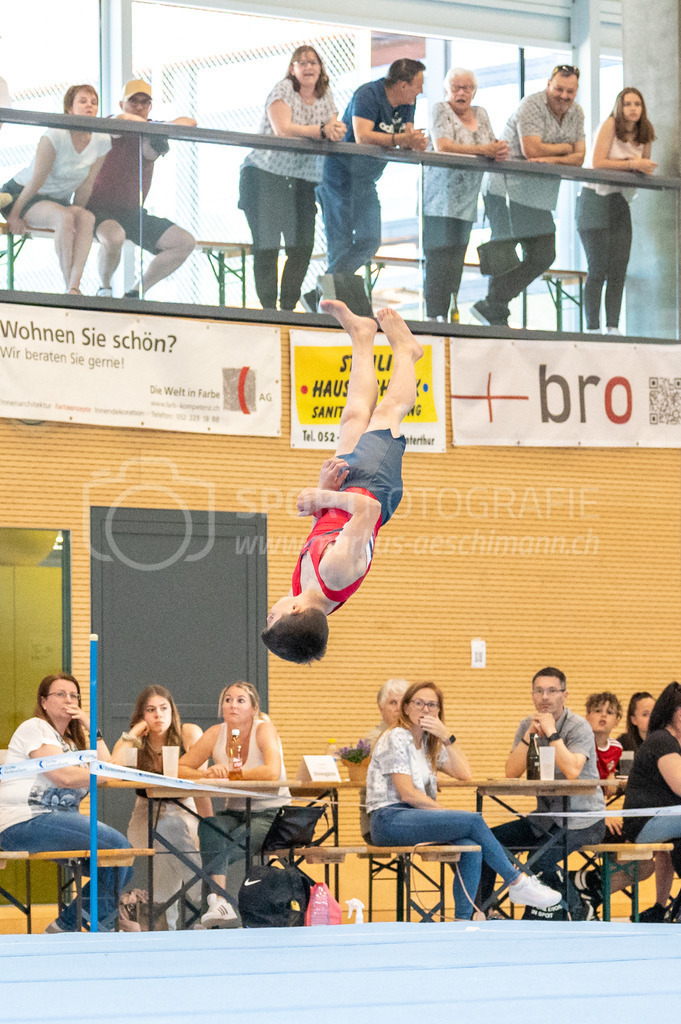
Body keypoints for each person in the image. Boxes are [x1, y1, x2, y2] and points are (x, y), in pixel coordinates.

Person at [261, 300, 423, 664]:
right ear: (297, 612)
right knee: (388, 411)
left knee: (353, 417)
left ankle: (362, 336)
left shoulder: (304, 589)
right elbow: (370, 511)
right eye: (274, 617)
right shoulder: (334, 574)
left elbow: (327, 528)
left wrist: (324, 495)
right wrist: (320, 495)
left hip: (345, 491)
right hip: (373, 486)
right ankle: (407, 352)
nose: (271, 609)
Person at [366, 681, 561, 920]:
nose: (425, 710)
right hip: (389, 819)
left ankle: (462, 919)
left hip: (416, 818)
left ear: (438, 711)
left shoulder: (429, 742)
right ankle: (517, 881)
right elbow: (407, 794)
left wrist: (447, 737)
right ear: (406, 708)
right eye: (418, 703)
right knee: (471, 821)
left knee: (471, 844)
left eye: (432, 705)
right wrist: (446, 813)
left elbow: (464, 773)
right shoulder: (396, 736)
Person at [0, 673, 131, 932]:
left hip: (56, 823)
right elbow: (63, 776)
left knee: (119, 864)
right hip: (24, 820)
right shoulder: (35, 728)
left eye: (74, 695)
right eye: (60, 694)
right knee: (118, 848)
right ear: (44, 702)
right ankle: (74, 927)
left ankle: (69, 927)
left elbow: (106, 767)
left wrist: (90, 725)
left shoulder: (72, 745)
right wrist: (106, 773)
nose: (68, 700)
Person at [478, 666, 605, 920]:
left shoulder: (579, 727)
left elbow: (572, 770)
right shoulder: (528, 724)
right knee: (487, 842)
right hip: (545, 818)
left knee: (538, 861)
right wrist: (528, 736)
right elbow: (512, 772)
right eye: (539, 691)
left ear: (564, 695)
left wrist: (551, 732)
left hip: (584, 819)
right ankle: (485, 911)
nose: (545, 697)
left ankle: (578, 909)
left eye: (551, 691)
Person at [472, 64, 585, 328]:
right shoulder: (531, 105)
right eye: (559, 89)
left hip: (539, 195)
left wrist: (549, 157)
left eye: (570, 91)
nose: (564, 96)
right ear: (548, 85)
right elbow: (530, 148)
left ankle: (493, 303)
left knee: (545, 254)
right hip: (506, 189)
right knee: (505, 250)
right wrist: (565, 149)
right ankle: (496, 310)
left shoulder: (577, 113)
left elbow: (579, 158)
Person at [239, 45, 345, 312]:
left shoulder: (325, 94)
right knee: (268, 246)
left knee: (302, 247)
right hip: (265, 175)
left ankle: (287, 308)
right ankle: (268, 310)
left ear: (320, 68)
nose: (309, 67)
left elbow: (331, 128)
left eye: (314, 62)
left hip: (302, 180)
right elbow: (282, 129)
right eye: (302, 62)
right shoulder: (284, 89)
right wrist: (320, 130)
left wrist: (333, 130)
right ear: (292, 68)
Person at [179, 681, 290, 928]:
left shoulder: (264, 729)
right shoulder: (215, 733)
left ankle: (216, 903)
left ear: (253, 708)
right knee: (210, 827)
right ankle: (221, 904)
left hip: (270, 812)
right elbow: (180, 767)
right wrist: (207, 774)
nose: (233, 705)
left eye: (240, 700)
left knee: (238, 838)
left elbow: (271, 772)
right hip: (236, 810)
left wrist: (230, 775)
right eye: (228, 699)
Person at [111, 685, 211, 929]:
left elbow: (201, 782)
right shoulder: (136, 743)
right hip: (145, 811)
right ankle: (210, 899)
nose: (158, 715)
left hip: (184, 807)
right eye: (151, 710)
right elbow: (113, 764)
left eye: (164, 708)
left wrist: (209, 824)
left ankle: (167, 924)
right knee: (167, 832)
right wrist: (135, 731)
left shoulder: (189, 733)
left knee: (169, 834)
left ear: (172, 711)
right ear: (142, 715)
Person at [86, 79, 196, 298]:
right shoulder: (113, 123)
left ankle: (136, 292)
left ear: (151, 106)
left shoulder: (152, 128)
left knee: (184, 242)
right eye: (133, 101)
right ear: (121, 103)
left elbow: (190, 122)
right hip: (99, 209)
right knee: (114, 237)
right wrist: (151, 127)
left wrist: (159, 129)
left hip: (132, 213)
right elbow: (123, 120)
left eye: (144, 102)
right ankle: (104, 288)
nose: (139, 106)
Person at [317, 58, 427, 277]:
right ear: (403, 85)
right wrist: (400, 139)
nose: (421, 90)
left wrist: (415, 142)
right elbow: (363, 136)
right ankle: (331, 295)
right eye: (418, 84)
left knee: (371, 239)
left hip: (366, 179)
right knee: (341, 240)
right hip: (339, 174)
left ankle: (325, 288)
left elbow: (408, 135)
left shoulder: (407, 104)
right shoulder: (367, 94)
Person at [1, 84, 113, 294]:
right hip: (24, 195)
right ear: (69, 109)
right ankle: (69, 288)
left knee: (86, 218)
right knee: (64, 217)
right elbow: (36, 179)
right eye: (83, 101)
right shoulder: (55, 135)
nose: (89, 105)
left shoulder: (101, 140)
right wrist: (14, 216)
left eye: (93, 102)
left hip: (58, 200)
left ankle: (74, 286)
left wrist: (77, 210)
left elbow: (87, 183)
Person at [423, 67, 508, 321]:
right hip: (439, 201)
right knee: (439, 258)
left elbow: (494, 145)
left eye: (466, 88)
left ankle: (451, 313)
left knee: (456, 259)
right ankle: (432, 316)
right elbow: (444, 145)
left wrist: (497, 150)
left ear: (474, 91)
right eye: (456, 88)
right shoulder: (441, 110)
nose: (461, 93)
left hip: (467, 201)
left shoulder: (480, 113)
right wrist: (485, 150)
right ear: (447, 90)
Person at [577, 88, 656, 335]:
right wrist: (633, 164)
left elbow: (644, 169)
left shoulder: (646, 134)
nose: (632, 108)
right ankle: (592, 328)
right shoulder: (611, 124)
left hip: (619, 200)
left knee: (619, 266)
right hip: (594, 198)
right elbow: (598, 162)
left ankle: (613, 326)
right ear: (619, 107)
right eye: (627, 104)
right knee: (598, 267)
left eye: (637, 104)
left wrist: (641, 168)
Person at [571, 690, 654, 919]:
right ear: (586, 716)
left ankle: (587, 888)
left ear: (618, 720)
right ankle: (584, 886)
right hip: (583, 817)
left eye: (609, 713)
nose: (603, 716)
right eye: (597, 711)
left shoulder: (616, 748)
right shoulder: (578, 745)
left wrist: (610, 780)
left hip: (601, 812)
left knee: (644, 859)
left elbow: (607, 784)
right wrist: (601, 815)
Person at [622, 682, 681, 923]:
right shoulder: (662, 740)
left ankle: (663, 906)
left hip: (665, 819)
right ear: (671, 712)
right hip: (644, 822)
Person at [359, 678, 411, 841]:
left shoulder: (418, 737)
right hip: (380, 820)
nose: (398, 708)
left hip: (415, 813)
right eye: (392, 703)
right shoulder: (372, 740)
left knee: (464, 840)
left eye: (403, 703)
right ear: (381, 709)